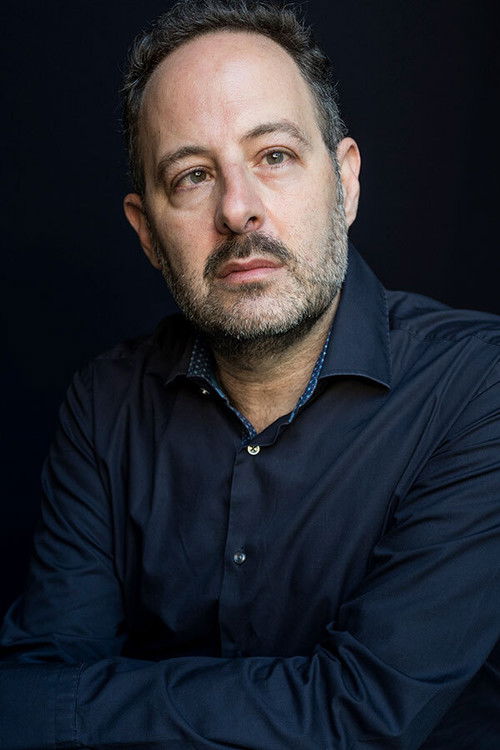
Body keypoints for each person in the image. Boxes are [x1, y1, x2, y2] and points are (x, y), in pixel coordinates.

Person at [1, 1, 499, 747]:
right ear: (146, 232)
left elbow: (364, 714)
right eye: (193, 175)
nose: (239, 210)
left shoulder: (479, 387)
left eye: (274, 156)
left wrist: (78, 708)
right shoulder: (105, 402)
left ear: (345, 182)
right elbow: (36, 675)